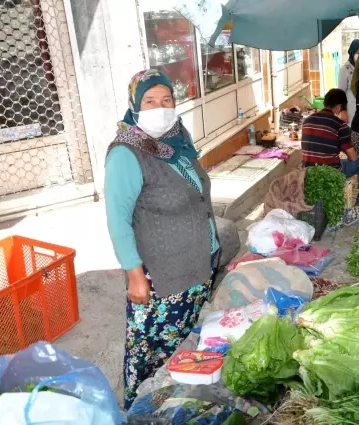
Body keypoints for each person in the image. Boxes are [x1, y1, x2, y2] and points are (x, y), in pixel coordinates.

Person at [105, 70, 220, 409]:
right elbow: (117, 220)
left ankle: (178, 409)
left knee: (185, 352)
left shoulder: (178, 140)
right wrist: (134, 275)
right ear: (134, 106)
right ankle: (140, 412)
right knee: (150, 360)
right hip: (161, 280)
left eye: (166, 100)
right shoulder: (126, 153)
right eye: (149, 101)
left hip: (197, 268)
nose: (160, 107)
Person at [301, 88, 359, 205]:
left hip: (307, 170)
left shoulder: (306, 121)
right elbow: (353, 157)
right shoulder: (340, 125)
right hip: (331, 171)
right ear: (338, 107)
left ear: (324, 103)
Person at [337, 39, 359, 125]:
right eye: (358, 53)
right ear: (352, 53)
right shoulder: (345, 69)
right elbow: (340, 93)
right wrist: (343, 110)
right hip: (351, 110)